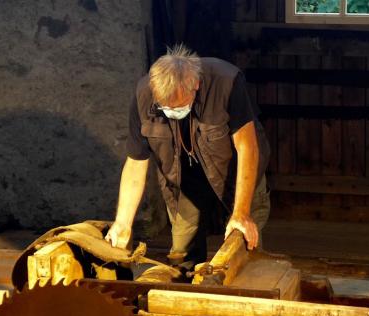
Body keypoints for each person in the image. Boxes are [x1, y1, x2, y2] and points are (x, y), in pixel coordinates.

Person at [106, 44, 270, 265]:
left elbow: (247, 146)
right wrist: (123, 223)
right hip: (185, 179)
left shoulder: (226, 82)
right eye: (167, 108)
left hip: (237, 173)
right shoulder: (143, 96)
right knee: (181, 254)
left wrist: (241, 213)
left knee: (243, 252)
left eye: (179, 106)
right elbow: (136, 162)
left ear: (196, 85)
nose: (174, 113)